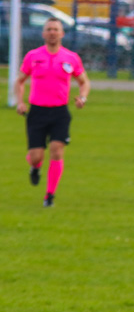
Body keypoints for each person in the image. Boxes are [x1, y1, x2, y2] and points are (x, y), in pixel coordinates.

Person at [14, 17, 91, 207]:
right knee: (36, 156)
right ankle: (35, 167)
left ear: (62, 34)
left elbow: (84, 82)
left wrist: (82, 97)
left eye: (56, 29)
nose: (52, 32)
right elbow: (20, 81)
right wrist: (20, 102)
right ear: (43, 34)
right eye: (49, 29)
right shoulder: (33, 56)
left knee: (57, 151)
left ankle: (49, 195)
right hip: (37, 112)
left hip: (60, 112)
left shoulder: (71, 58)